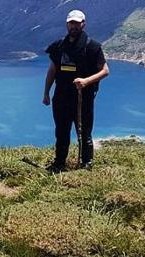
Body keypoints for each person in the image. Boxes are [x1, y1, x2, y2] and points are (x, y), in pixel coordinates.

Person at [42, 10, 109, 171]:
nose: (74, 26)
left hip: (83, 98)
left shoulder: (93, 47)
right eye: (71, 23)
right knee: (61, 132)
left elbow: (105, 71)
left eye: (77, 23)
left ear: (83, 24)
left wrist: (86, 81)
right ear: (67, 24)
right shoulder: (58, 46)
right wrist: (46, 93)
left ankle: (87, 164)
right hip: (61, 96)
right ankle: (59, 163)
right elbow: (52, 70)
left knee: (84, 132)